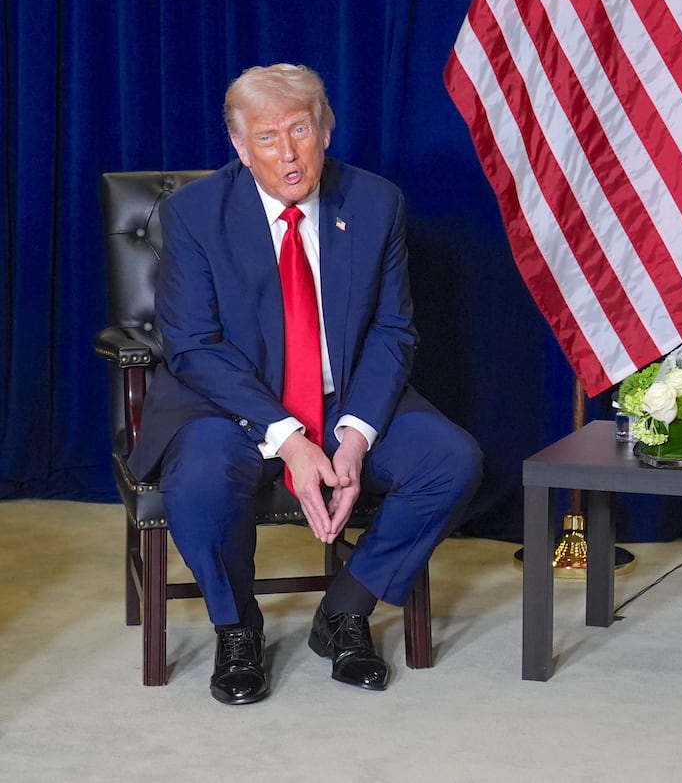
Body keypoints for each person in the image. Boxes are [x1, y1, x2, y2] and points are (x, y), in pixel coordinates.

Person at [128, 63, 483, 705]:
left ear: (326, 129)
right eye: (267, 137)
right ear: (240, 147)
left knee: (450, 459)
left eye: (301, 130)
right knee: (200, 476)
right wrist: (288, 437)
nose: (288, 153)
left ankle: (344, 611)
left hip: (342, 394)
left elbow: (393, 330)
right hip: (230, 407)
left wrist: (353, 435)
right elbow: (195, 347)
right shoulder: (195, 215)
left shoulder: (376, 203)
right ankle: (237, 627)